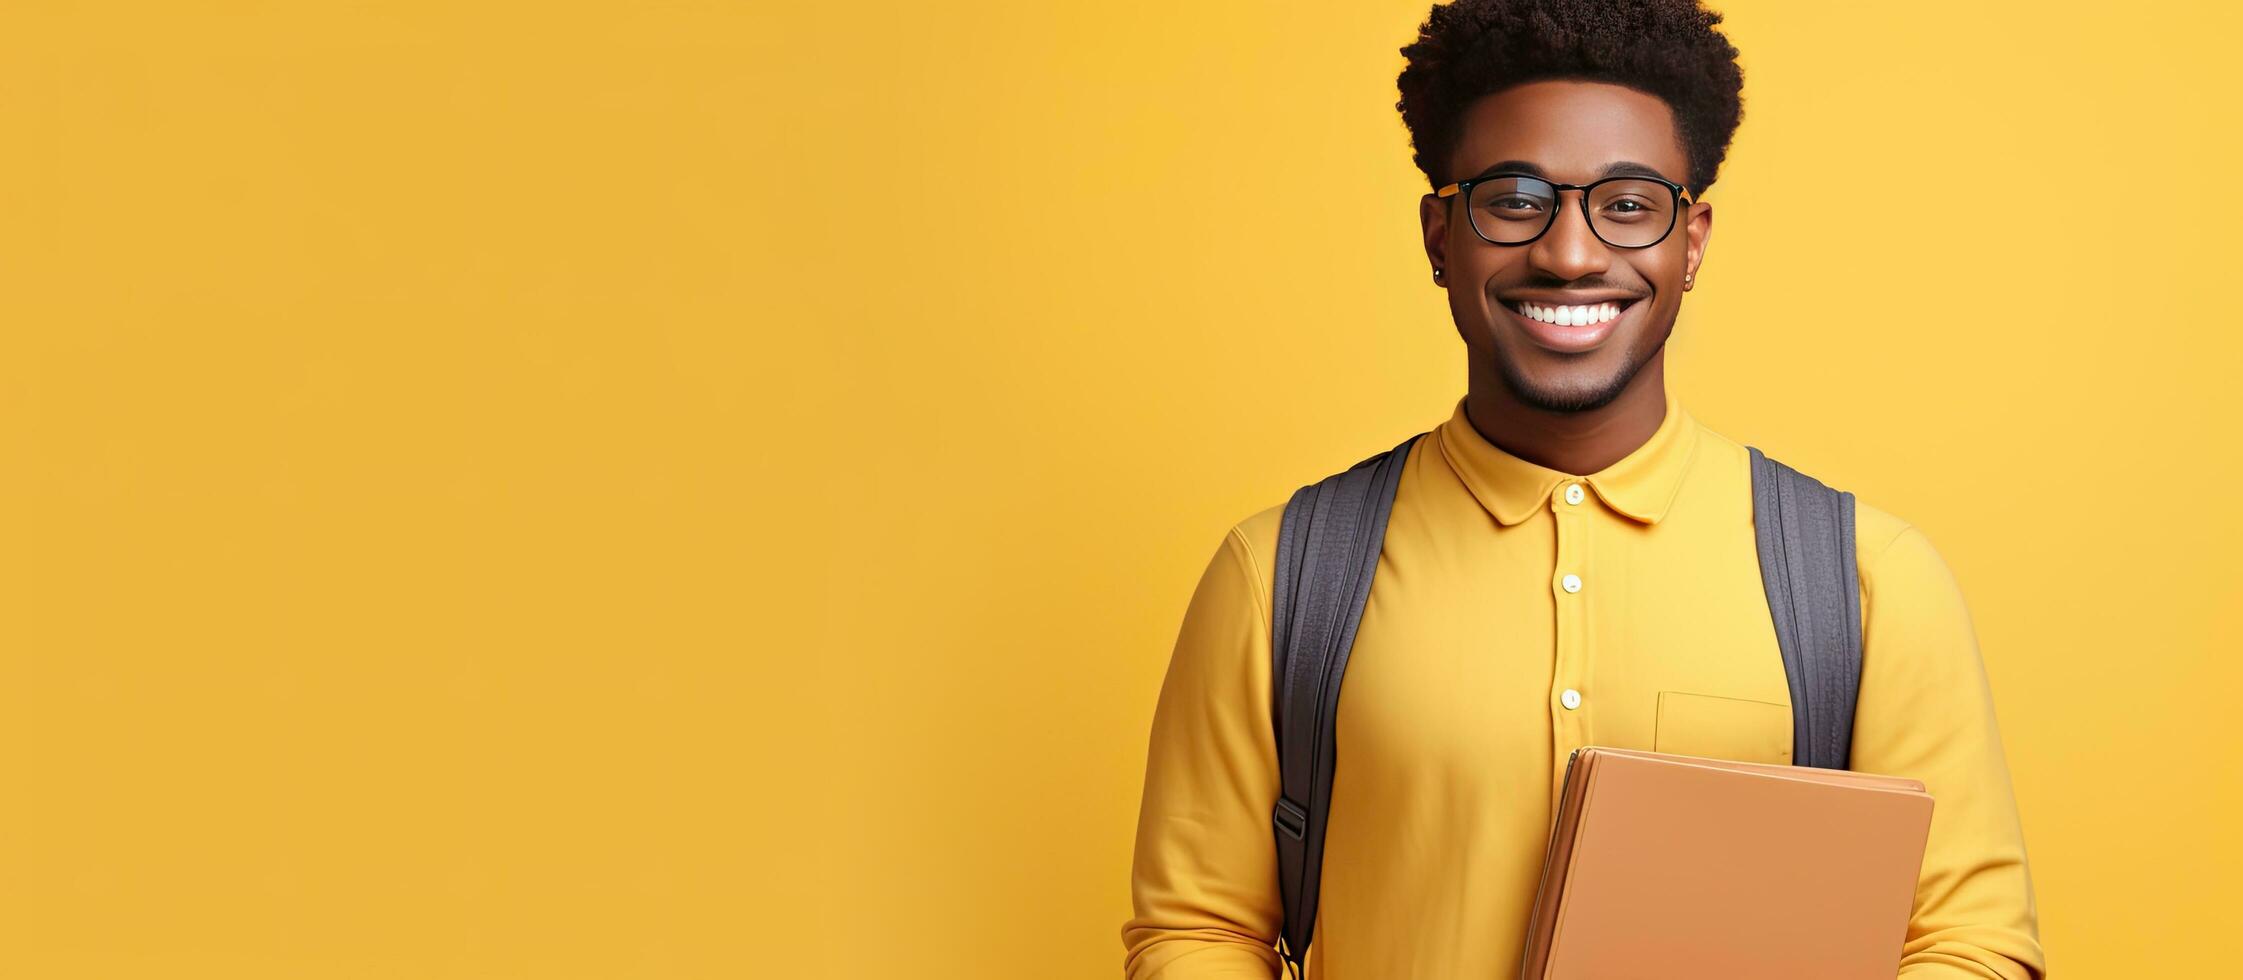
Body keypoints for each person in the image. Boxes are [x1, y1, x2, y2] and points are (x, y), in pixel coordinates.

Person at [1119, 1, 2045, 977]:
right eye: (1514, 199)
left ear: (1688, 241)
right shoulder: (1276, 576)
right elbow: (1196, 929)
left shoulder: (1866, 582)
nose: (1567, 252)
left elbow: (1966, 941)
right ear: (1439, 235)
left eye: (1627, 202)